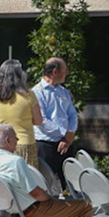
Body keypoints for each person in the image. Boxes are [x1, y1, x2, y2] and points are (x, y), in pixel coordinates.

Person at [0, 59, 43, 168]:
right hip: (24, 143)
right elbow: (39, 121)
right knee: (26, 180)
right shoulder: (28, 95)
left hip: (1, 145)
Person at [33, 57, 78, 191]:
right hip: (46, 145)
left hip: (66, 143)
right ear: (55, 71)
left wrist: (69, 135)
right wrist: (65, 133)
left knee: (71, 183)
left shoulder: (63, 92)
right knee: (45, 184)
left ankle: (72, 209)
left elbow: (72, 114)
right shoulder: (37, 92)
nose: (67, 73)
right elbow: (41, 120)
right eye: (65, 70)